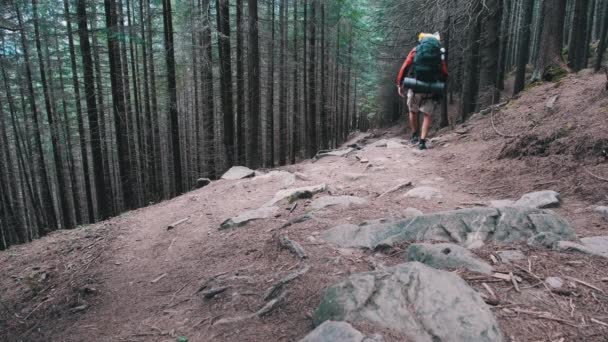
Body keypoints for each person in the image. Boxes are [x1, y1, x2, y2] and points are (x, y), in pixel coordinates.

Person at [396, 32, 448, 150]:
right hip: (430, 88)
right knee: (427, 115)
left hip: (415, 86)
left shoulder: (416, 50)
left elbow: (405, 66)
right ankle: (422, 141)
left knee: (413, 111)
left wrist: (400, 84)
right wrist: (440, 86)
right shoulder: (439, 52)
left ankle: (414, 135)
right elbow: (444, 72)